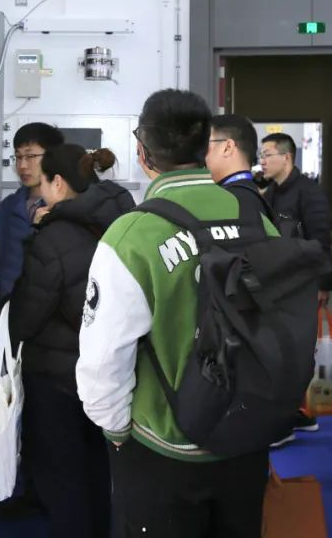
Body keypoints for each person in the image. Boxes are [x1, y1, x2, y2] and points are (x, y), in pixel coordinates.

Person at [77, 89, 276, 538]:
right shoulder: (258, 221)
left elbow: (103, 361)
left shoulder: (132, 234)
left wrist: (117, 431)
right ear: (206, 147)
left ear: (142, 153)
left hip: (164, 448)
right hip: (245, 436)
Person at [8, 144, 134, 538]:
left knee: (62, 476)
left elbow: (27, 315)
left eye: (43, 182)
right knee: (98, 468)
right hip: (111, 371)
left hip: (57, 377)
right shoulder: (125, 222)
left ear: (58, 183)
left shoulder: (53, 238)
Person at [259, 132, 332, 439]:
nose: (262, 161)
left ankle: (289, 419)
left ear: (286, 157)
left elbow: (321, 239)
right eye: (261, 156)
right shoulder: (271, 193)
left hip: (303, 284)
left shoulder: (308, 193)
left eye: (267, 155)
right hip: (281, 284)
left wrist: (324, 282)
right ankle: (297, 413)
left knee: (295, 352)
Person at [0, 122, 65, 312]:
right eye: (18, 157)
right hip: (11, 313)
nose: (22, 165)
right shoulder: (4, 210)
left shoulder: (68, 209)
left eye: (30, 156)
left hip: (56, 315)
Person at [205, 114, 274, 223]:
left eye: (205, 144)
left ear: (228, 147)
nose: (200, 153)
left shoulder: (230, 202)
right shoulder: (253, 197)